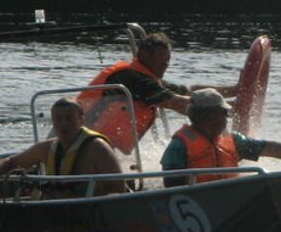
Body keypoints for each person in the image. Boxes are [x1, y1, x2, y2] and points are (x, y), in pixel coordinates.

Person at [78, 32, 237, 154]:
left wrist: (235, 89)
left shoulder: (148, 78)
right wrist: (229, 108)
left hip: (100, 147)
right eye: (162, 58)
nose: (166, 64)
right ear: (144, 54)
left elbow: (190, 90)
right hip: (81, 145)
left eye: (168, 59)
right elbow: (179, 103)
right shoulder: (132, 78)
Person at [161, 88, 281, 187]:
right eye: (224, 113)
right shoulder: (179, 146)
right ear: (208, 116)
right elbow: (172, 190)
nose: (228, 117)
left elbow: (267, 148)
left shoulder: (233, 140)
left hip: (231, 202)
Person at [0, 97, 125, 197]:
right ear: (52, 121)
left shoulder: (97, 148)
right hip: (54, 211)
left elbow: (118, 188)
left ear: (81, 120)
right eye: (58, 119)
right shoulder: (46, 148)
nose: (64, 124)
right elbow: (11, 162)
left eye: (69, 118)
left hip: (89, 212)